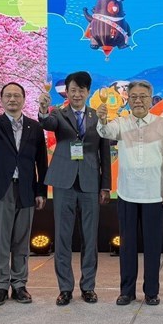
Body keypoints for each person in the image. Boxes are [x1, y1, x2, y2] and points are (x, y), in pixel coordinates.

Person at [97, 80, 163, 306]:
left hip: (154, 194)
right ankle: (127, 291)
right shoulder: (121, 123)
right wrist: (102, 118)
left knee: (153, 247)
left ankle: (151, 292)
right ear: (128, 100)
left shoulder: (162, 125)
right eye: (134, 97)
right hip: (127, 193)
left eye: (143, 97)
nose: (138, 101)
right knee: (127, 246)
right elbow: (105, 131)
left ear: (151, 99)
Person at [37, 71, 111, 306]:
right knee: (62, 237)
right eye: (73, 90)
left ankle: (88, 287)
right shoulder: (58, 113)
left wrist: (106, 185)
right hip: (64, 182)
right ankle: (65, 288)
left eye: (81, 90)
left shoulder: (97, 116)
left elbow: (105, 152)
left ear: (88, 92)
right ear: (66, 92)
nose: (77, 94)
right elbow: (46, 123)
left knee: (90, 237)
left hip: (90, 182)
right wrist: (43, 109)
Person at [0, 82, 48, 306]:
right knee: (0, 240)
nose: (12, 99)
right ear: (1, 99)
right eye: (8, 95)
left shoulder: (35, 127)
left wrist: (41, 191)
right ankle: (0, 286)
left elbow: (41, 162)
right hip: (0, 189)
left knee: (22, 240)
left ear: (24, 99)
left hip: (26, 188)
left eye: (17, 95)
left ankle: (19, 284)